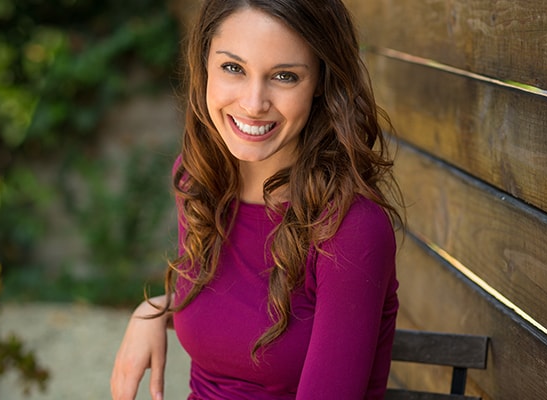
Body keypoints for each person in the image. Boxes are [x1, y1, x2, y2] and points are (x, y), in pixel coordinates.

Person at [112, 0, 402, 398]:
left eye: (284, 76)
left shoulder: (350, 229)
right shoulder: (200, 181)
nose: (253, 103)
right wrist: (155, 309)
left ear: (320, 84)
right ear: (205, 65)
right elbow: (236, 308)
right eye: (233, 68)